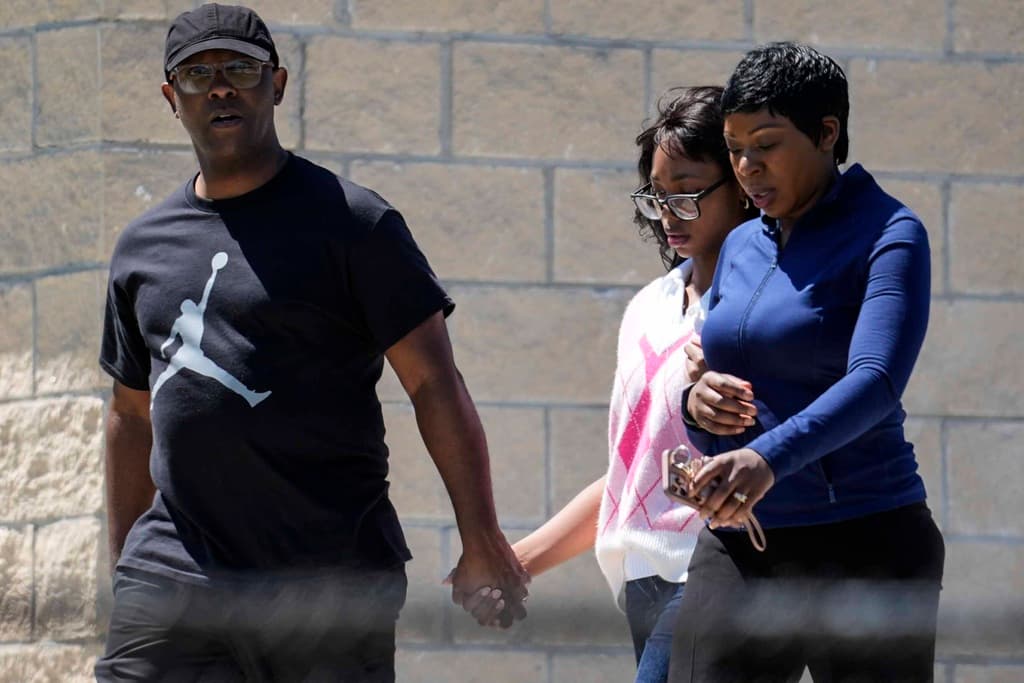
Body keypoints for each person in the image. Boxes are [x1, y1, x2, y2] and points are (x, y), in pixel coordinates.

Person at [94, 4, 527, 681]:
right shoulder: (141, 248)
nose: (220, 87)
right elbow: (130, 412)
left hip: (328, 580)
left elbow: (433, 383)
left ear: (278, 84)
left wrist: (481, 538)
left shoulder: (355, 223)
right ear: (171, 96)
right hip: (176, 572)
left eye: (241, 69)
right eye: (198, 74)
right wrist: (127, 566)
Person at [668, 42, 944, 682]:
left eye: (766, 144)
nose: (747, 167)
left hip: (866, 545)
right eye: (734, 149)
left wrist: (766, 459)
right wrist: (697, 406)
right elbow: (719, 376)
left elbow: (876, 381)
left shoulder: (890, 234)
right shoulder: (740, 244)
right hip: (743, 542)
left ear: (826, 133)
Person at [509, 87, 758, 683]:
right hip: (638, 578)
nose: (668, 213)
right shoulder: (650, 306)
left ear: (743, 186)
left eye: (687, 194)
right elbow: (632, 474)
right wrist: (516, 563)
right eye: (657, 195)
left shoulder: (761, 310)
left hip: (717, 569)